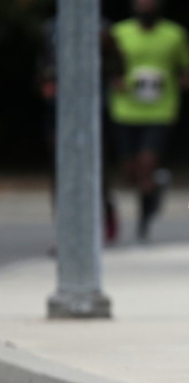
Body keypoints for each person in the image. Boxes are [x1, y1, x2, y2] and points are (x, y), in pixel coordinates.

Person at [109, 0, 189, 241]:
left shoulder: (174, 34)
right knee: (130, 171)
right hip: (125, 109)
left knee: (146, 164)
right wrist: (115, 79)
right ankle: (158, 183)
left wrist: (184, 80)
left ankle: (143, 223)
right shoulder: (119, 33)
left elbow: (186, 67)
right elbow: (107, 65)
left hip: (160, 110)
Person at [37, 15, 124, 244]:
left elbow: (118, 65)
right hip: (59, 108)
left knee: (96, 166)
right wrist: (45, 82)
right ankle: (64, 231)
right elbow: (43, 63)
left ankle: (103, 213)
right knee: (59, 168)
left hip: (94, 108)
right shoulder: (51, 28)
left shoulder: (101, 27)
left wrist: (111, 73)